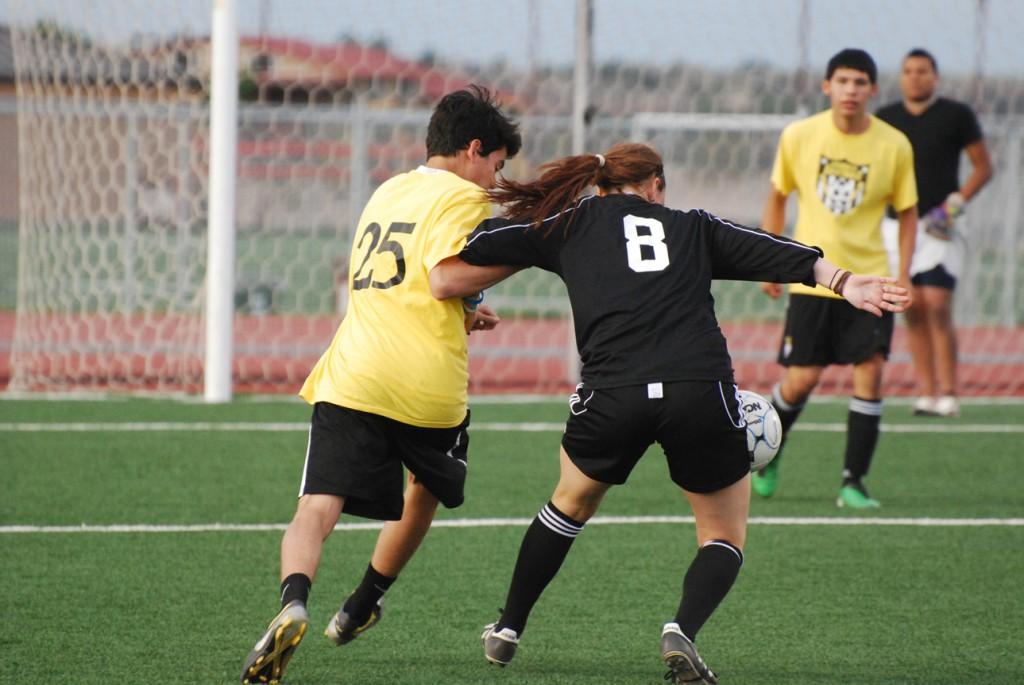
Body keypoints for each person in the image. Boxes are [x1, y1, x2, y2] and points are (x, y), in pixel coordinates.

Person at [428, 142, 910, 684]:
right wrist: (845, 281)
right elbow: (769, 248)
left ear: (599, 184)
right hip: (697, 388)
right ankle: (681, 629)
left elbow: (482, 245)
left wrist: (470, 262)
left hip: (614, 393)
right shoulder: (691, 226)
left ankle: (507, 630)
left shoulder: (567, 223)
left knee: (568, 504)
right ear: (656, 184)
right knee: (724, 534)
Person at [240, 85, 521, 685]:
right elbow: (444, 278)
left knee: (317, 506)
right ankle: (362, 603)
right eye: (496, 167)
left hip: (354, 371)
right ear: (474, 150)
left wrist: (468, 309)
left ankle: (293, 602)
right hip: (425, 384)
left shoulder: (389, 190)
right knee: (425, 490)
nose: (493, 182)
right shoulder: (466, 198)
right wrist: (527, 251)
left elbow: (403, 282)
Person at [753, 48, 919, 509]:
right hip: (813, 278)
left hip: (870, 282)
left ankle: (853, 482)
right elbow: (777, 197)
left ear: (872, 89)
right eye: (842, 81)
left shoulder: (894, 145)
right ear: (827, 86)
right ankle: (769, 454)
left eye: (860, 82)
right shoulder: (799, 136)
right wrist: (769, 259)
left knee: (871, 373)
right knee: (801, 381)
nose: (851, 90)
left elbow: (908, 213)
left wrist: (903, 271)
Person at [877, 48, 993, 418]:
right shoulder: (886, 119)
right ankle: (925, 392)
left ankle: (949, 392)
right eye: (908, 71)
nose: (915, 77)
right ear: (901, 77)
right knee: (911, 306)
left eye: (923, 71)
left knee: (937, 303)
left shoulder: (956, 115)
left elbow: (982, 167)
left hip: (940, 224)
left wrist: (954, 205)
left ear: (935, 76)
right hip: (897, 225)